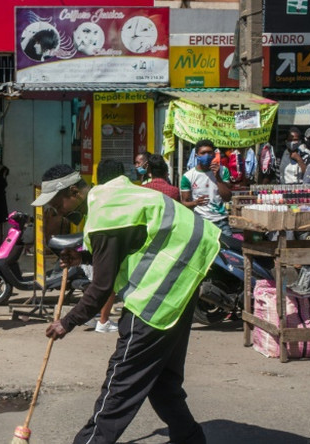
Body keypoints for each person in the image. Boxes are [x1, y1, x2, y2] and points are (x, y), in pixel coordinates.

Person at [34, 159, 218, 444]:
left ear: (72, 192)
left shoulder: (104, 215)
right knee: (161, 381)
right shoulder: (112, 194)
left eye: (57, 203)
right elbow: (129, 243)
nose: (56, 211)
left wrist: (66, 323)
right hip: (184, 277)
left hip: (164, 287)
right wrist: (82, 257)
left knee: (121, 380)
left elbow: (101, 287)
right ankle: (190, 438)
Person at [180, 139, 233, 237]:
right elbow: (184, 203)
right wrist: (195, 203)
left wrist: (217, 177)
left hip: (221, 221)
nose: (206, 155)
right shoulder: (188, 176)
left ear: (214, 154)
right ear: (196, 155)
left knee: (228, 251)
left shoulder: (223, 171)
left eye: (209, 152)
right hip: (201, 222)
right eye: (203, 153)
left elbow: (227, 197)